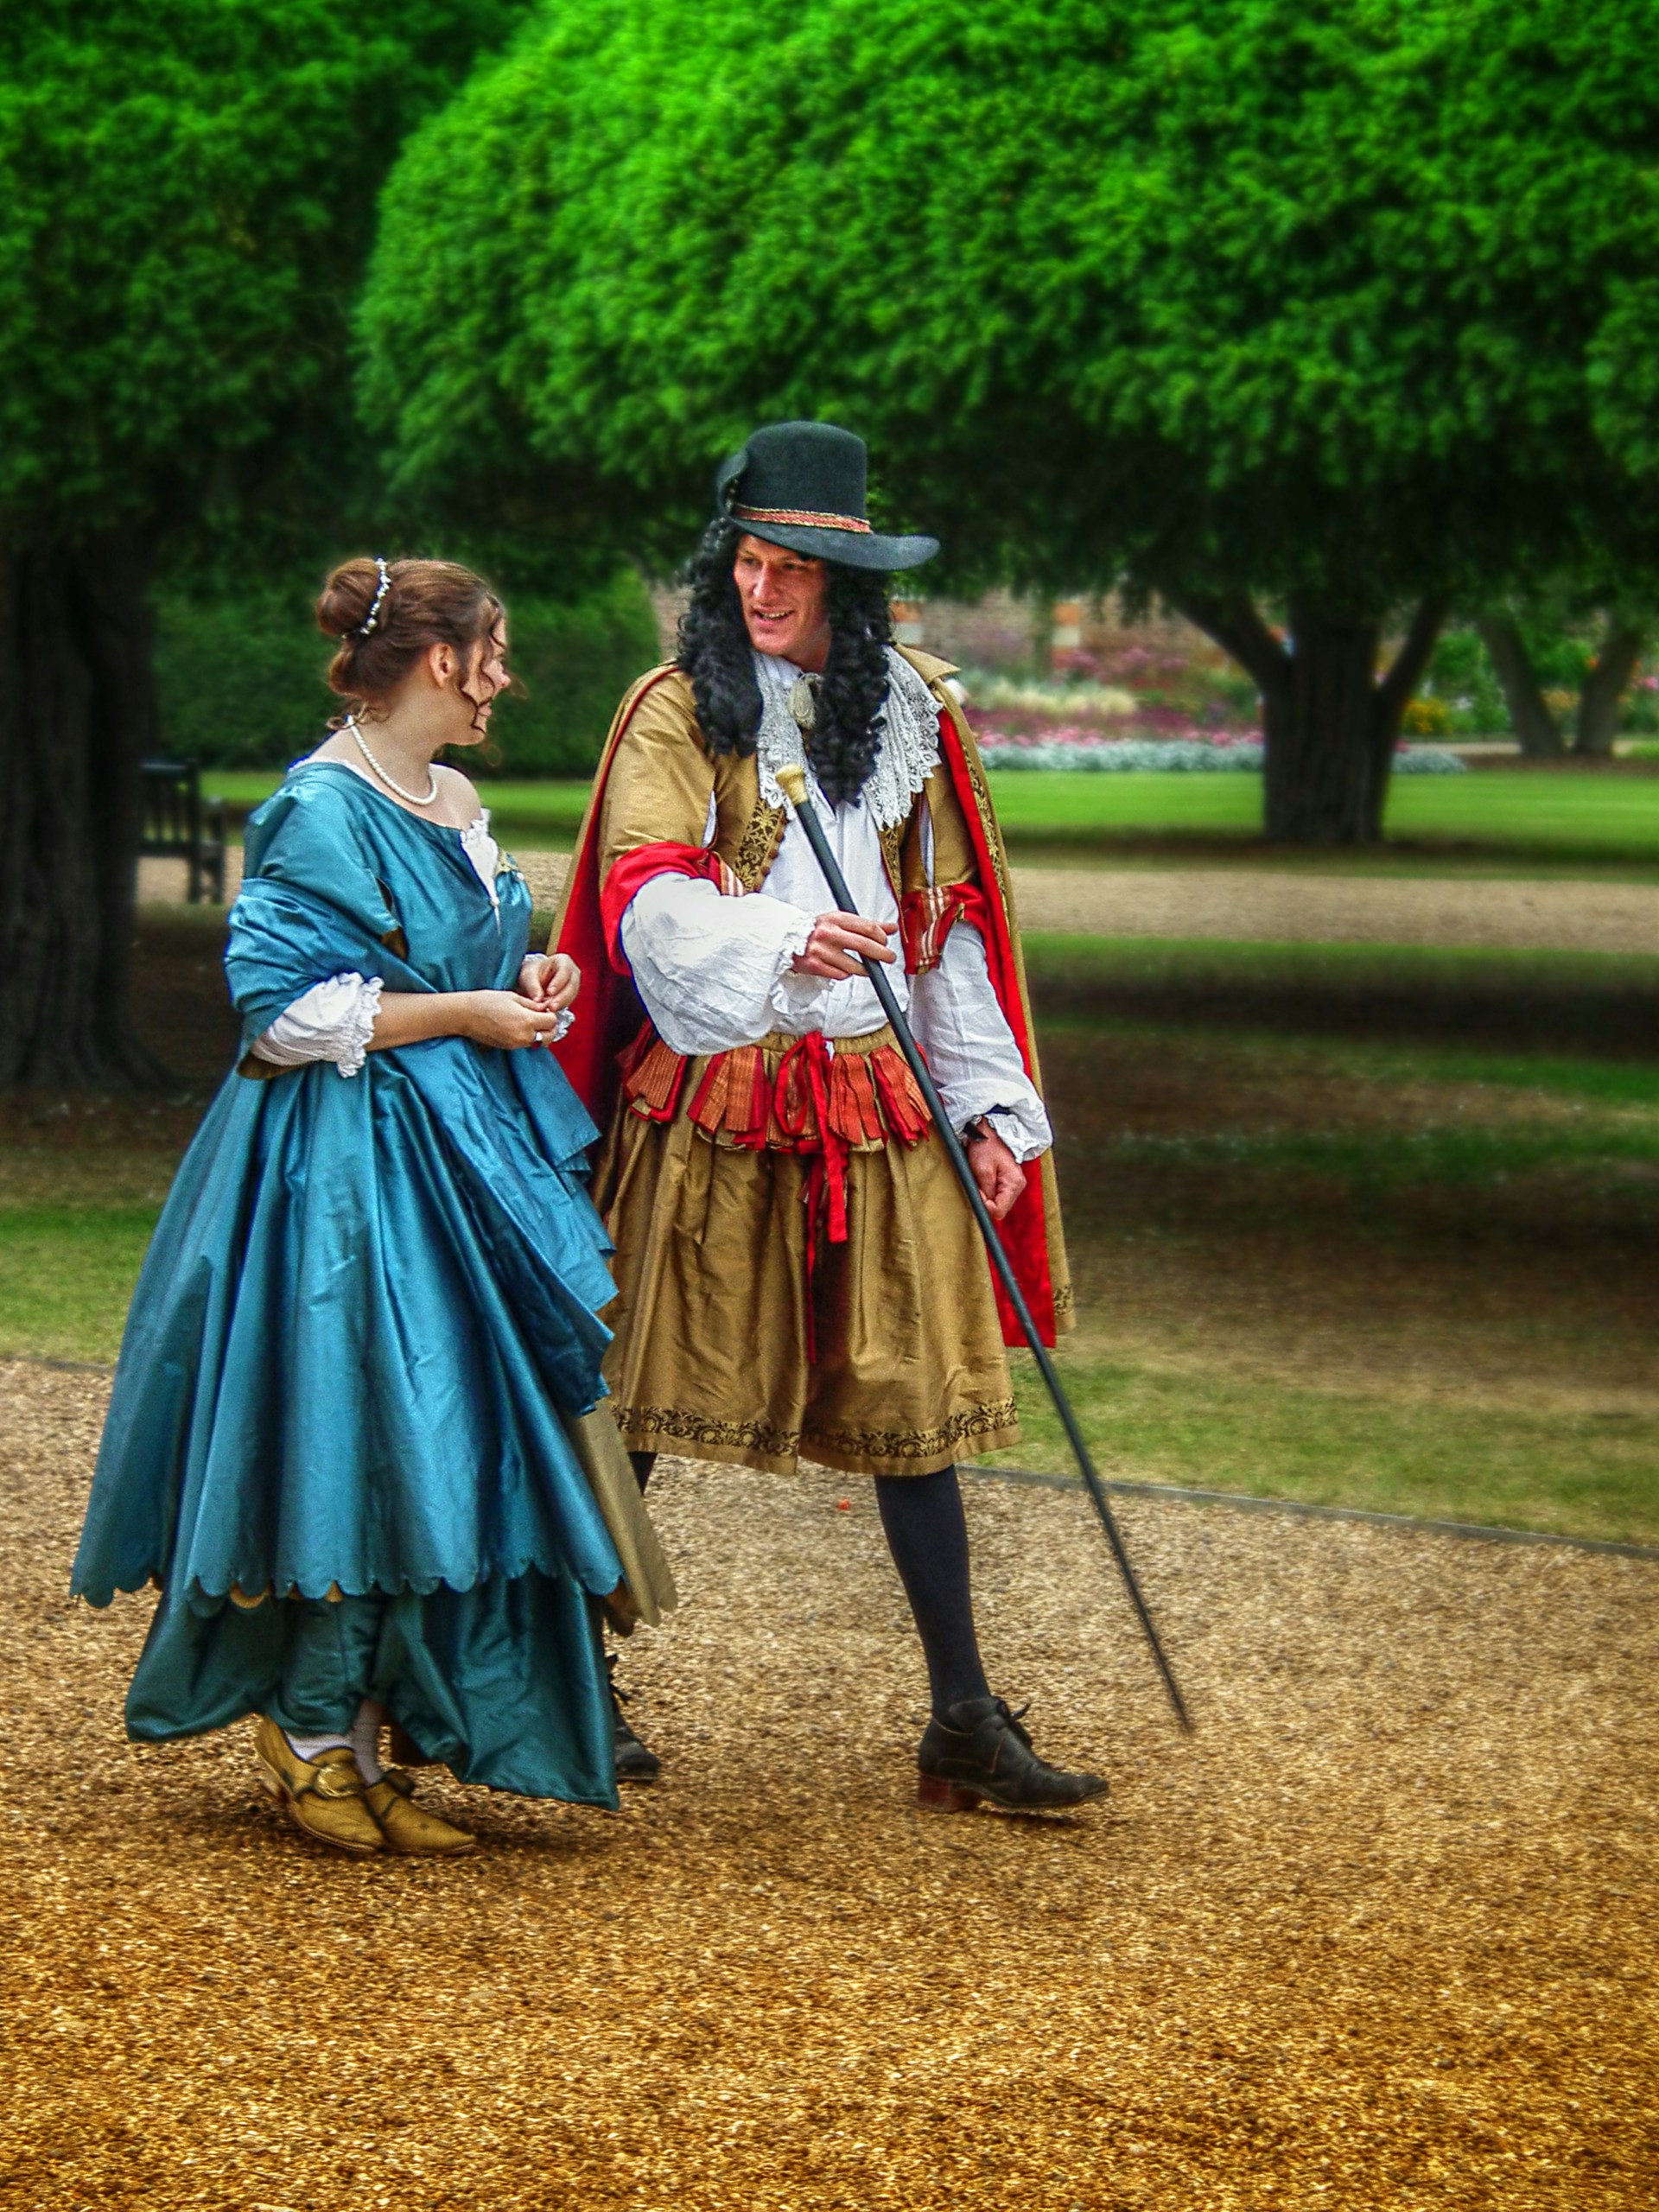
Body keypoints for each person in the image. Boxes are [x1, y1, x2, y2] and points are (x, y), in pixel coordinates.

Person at [73, 556, 674, 1857]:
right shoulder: (318, 805)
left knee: (434, 1442)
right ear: (442, 660)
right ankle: (304, 1733)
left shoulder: (448, 795)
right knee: (350, 1433)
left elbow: (431, 955)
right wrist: (466, 1014)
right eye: (494, 653)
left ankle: (355, 1733)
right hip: (339, 1175)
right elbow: (280, 1013)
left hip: (457, 1159)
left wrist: (522, 968)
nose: (504, 677)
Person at [554, 422, 1104, 1812]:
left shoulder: (911, 712)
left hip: (878, 1096)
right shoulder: (681, 707)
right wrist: (778, 941)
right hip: (716, 1091)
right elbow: (647, 894)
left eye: (789, 566)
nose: (761, 589)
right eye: (746, 560)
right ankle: (569, 1669)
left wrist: (988, 1106)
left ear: (846, 582)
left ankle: (963, 1722)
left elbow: (946, 929)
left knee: (912, 1403)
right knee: (638, 1396)